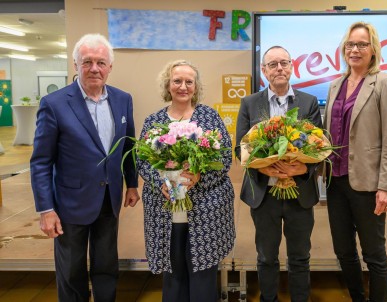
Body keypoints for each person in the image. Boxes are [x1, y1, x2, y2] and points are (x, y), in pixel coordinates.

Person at [30, 33, 140, 302]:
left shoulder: (122, 99)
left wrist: (132, 183)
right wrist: (46, 209)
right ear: (75, 64)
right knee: (71, 271)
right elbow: (41, 161)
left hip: (108, 200)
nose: (94, 68)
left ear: (110, 67)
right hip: (69, 203)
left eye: (101, 62)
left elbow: (129, 146)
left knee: (106, 267)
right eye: (87, 61)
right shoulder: (54, 104)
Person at [137, 60, 235, 302]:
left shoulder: (209, 117)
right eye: (177, 81)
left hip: (205, 210)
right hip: (165, 209)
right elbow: (142, 161)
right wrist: (161, 182)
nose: (183, 86)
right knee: (173, 272)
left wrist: (198, 177)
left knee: (203, 274)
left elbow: (223, 158)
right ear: (167, 85)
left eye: (188, 81)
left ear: (196, 86)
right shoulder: (154, 121)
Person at [235, 46, 322, 302]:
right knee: (266, 257)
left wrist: (303, 167)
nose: (279, 68)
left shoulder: (309, 102)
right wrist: (262, 166)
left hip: (300, 194)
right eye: (273, 65)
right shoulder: (249, 103)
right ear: (264, 71)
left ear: (292, 66)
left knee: (299, 257)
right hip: (264, 195)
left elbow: (319, 145)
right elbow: (240, 146)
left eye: (284, 63)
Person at [323, 22, 387, 302]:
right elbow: (327, 134)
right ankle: (358, 297)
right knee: (343, 250)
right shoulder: (335, 84)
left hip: (368, 184)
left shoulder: (385, 83)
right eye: (350, 45)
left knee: (374, 255)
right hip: (335, 181)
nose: (355, 50)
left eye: (362, 45)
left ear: (373, 49)